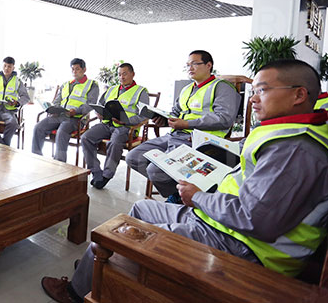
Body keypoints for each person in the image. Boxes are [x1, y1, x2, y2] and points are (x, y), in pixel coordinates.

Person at [41, 59, 328, 303]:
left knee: (119, 232)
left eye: (262, 90)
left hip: (242, 244)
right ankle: (93, 269)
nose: (252, 99)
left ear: (299, 95)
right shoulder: (284, 131)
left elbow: (257, 220)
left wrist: (199, 197)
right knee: (140, 207)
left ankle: (77, 291)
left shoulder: (297, 150)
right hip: (218, 219)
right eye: (254, 91)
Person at [126, 50, 240, 202]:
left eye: (194, 64)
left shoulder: (222, 87)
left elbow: (224, 118)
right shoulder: (187, 89)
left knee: (156, 171)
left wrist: (187, 124)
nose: (190, 68)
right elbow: (175, 113)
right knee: (134, 157)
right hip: (175, 135)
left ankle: (180, 195)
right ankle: (179, 191)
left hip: (199, 140)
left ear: (208, 65)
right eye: (188, 65)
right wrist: (164, 120)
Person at [81, 63, 148, 189]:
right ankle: (96, 172)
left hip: (126, 128)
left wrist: (126, 121)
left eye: (125, 74)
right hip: (107, 124)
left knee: (115, 141)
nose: (121, 77)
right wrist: (99, 113)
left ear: (133, 74)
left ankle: (106, 175)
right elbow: (100, 105)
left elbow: (144, 116)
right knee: (86, 137)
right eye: (119, 74)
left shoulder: (141, 92)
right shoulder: (111, 89)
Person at [32, 58, 99, 162]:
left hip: (76, 119)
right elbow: (57, 100)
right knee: (38, 127)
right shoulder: (66, 84)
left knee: (62, 131)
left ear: (84, 69)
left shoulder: (92, 85)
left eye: (77, 69)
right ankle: (36, 158)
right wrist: (54, 109)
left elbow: (91, 104)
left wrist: (75, 111)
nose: (74, 72)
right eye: (73, 69)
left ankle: (60, 163)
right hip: (59, 116)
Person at [0, 56, 29, 146]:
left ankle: (1, 146)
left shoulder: (18, 81)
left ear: (13, 68)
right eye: (5, 66)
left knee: (13, 124)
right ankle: (3, 146)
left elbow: (25, 97)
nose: (6, 68)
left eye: (9, 66)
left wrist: (17, 102)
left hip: (9, 111)